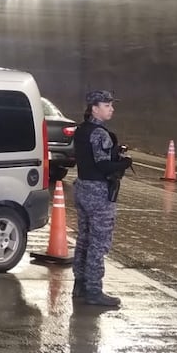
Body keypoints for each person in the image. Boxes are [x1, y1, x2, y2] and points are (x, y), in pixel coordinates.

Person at [72, 90, 132, 307]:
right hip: (98, 193)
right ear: (94, 109)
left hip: (82, 188)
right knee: (98, 244)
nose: (111, 109)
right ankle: (94, 291)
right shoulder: (100, 133)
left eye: (111, 105)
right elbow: (103, 165)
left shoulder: (81, 130)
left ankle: (79, 285)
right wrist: (123, 163)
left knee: (84, 239)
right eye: (107, 105)